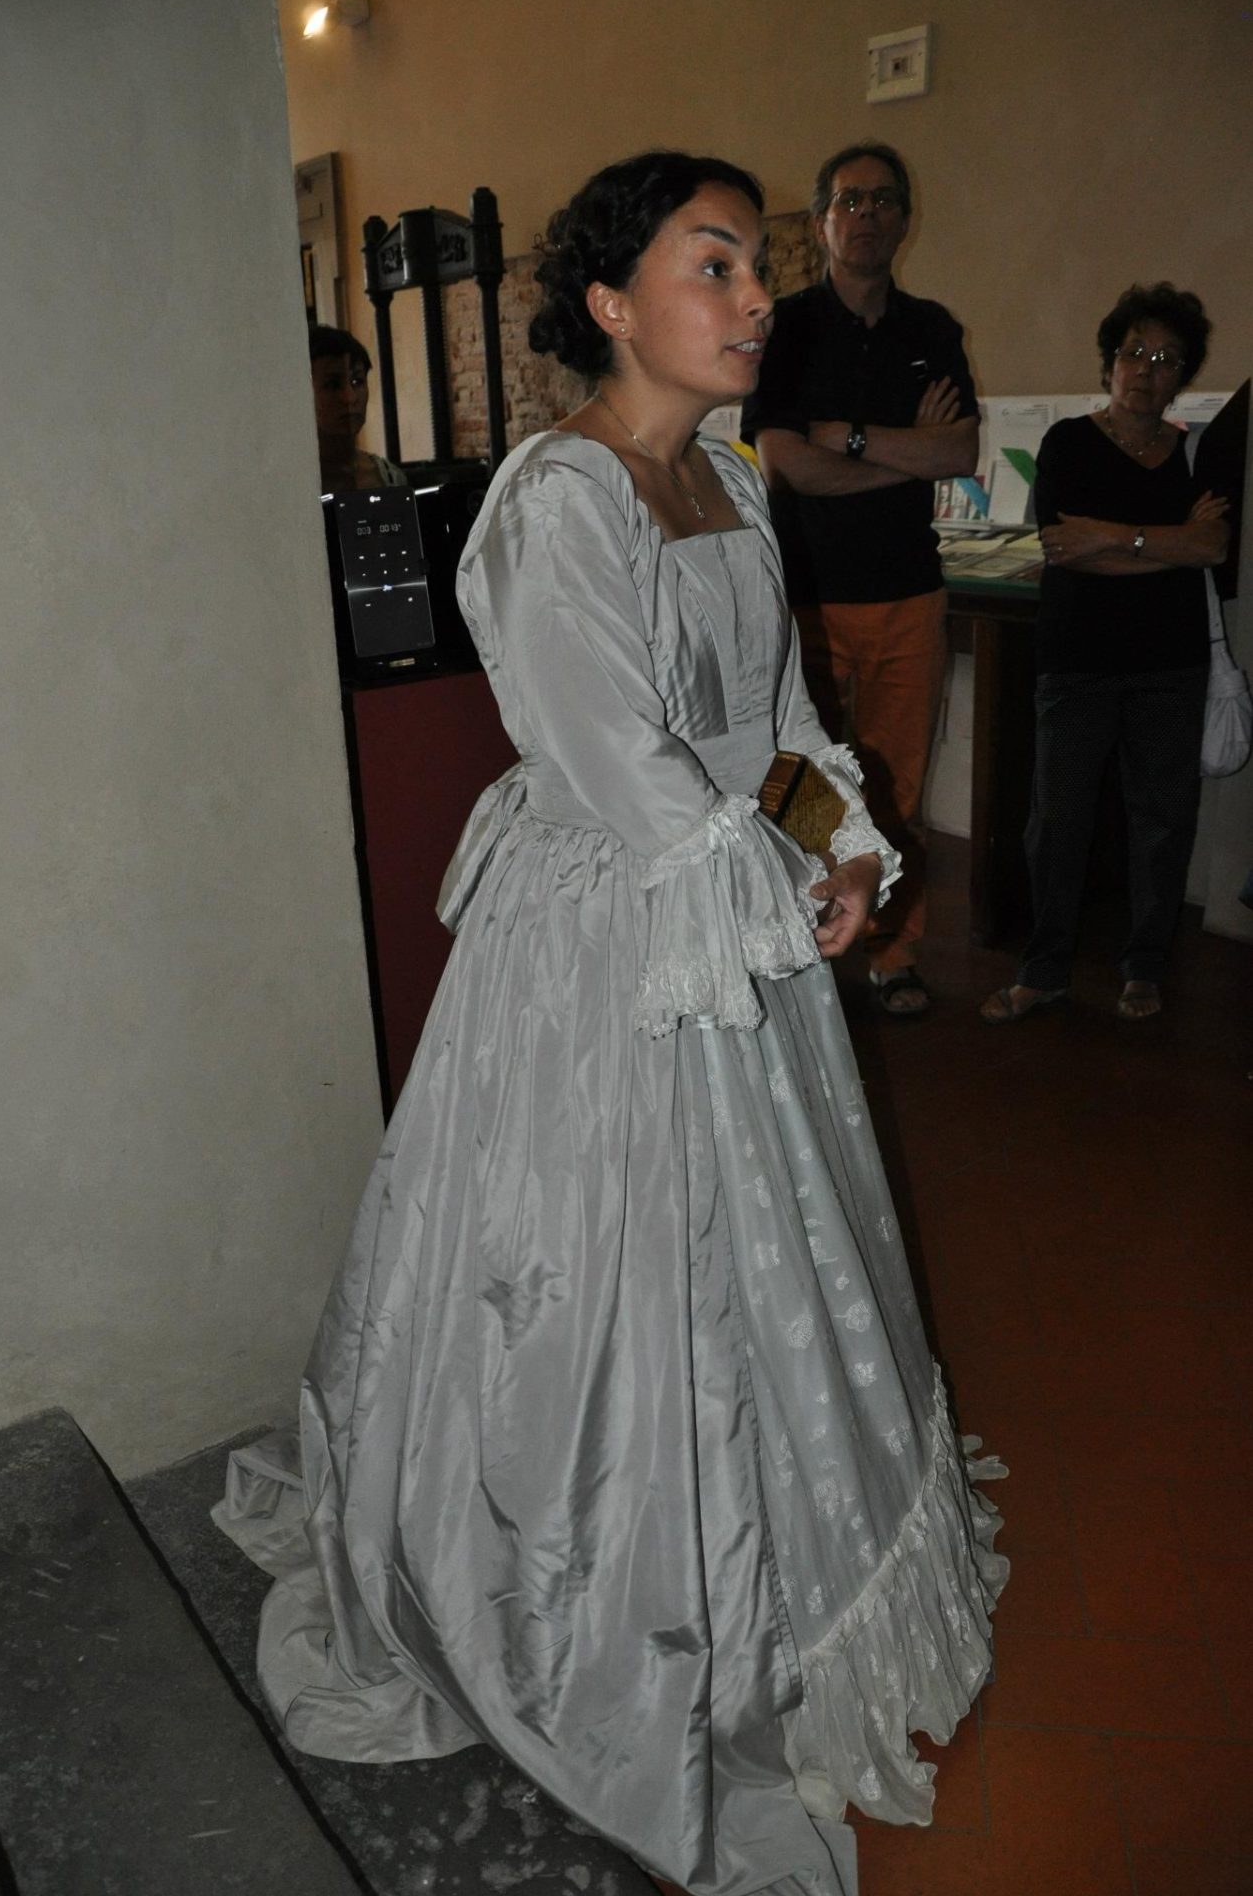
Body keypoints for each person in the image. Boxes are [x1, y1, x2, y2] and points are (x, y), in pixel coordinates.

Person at [218, 153, 1006, 1896]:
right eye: (711, 264)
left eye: (754, 267)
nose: (752, 297)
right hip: (610, 938)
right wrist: (771, 892)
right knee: (599, 1274)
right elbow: (622, 763)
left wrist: (841, 847)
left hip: (734, 908)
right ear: (607, 302)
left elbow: (777, 720)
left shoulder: (730, 479)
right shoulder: (553, 497)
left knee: (768, 1269)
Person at [741, 143, 979, 1018]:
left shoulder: (931, 330)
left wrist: (842, 437)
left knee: (894, 792)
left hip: (908, 592)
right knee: (794, 784)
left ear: (903, 219)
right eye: (848, 201)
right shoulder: (785, 327)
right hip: (803, 597)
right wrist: (903, 451)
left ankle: (891, 953)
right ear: (820, 222)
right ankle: (795, 935)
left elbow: (956, 453)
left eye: (882, 200)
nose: (865, 215)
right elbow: (782, 464)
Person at [981, 283, 1228, 1025]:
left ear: (1181, 377)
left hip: (1170, 666)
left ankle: (1144, 966)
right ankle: (1044, 968)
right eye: (1134, 352)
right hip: (1077, 662)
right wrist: (1166, 545)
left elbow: (1211, 547)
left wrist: (1114, 538)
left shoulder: (1195, 454)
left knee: (1162, 820)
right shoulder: (1066, 443)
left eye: (1166, 359)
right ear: (1109, 361)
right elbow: (1064, 550)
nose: (1146, 370)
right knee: (1056, 822)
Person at [308, 322, 410, 492]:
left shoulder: (389, 477)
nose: (350, 398)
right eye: (332, 385)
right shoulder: (291, 478)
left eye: (357, 381)